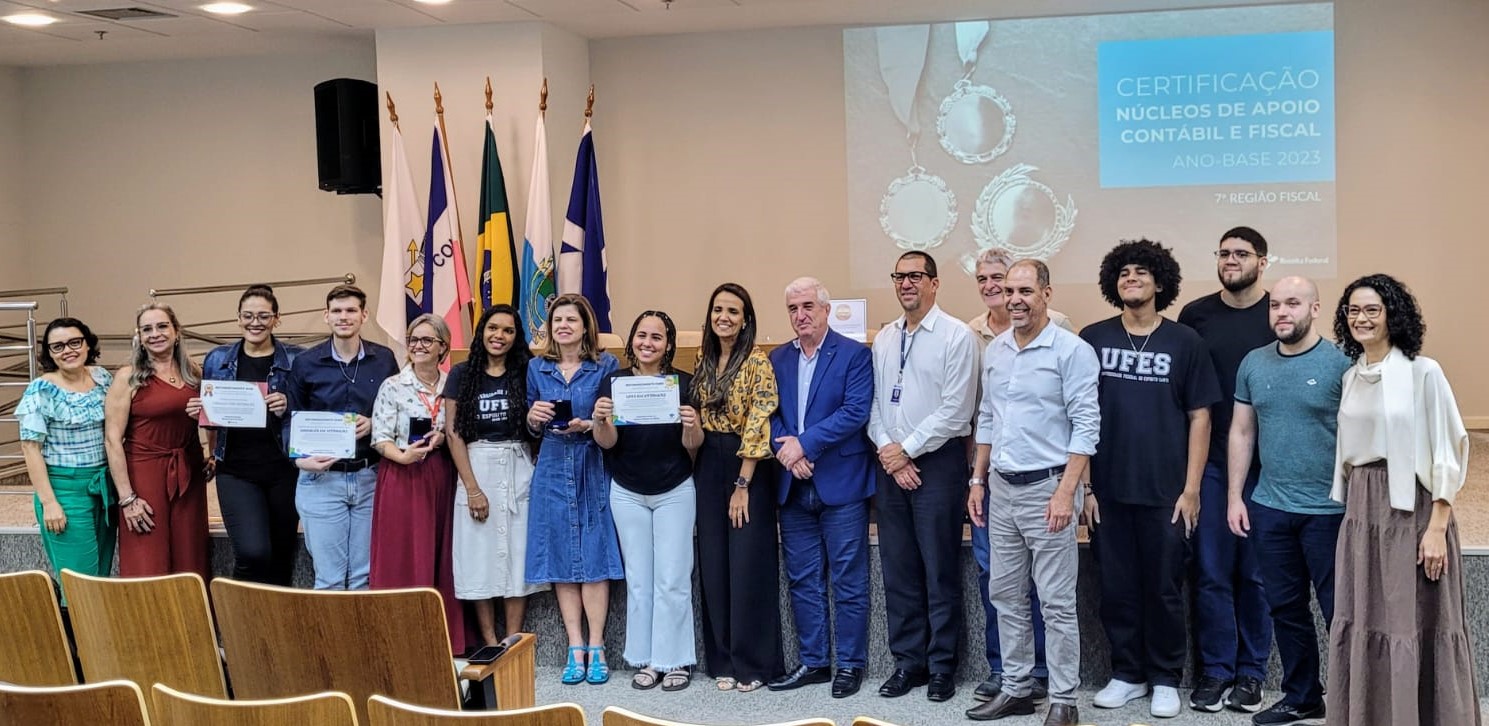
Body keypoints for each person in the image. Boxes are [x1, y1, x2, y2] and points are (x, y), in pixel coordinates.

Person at [1325, 274, 1479, 726]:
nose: (1361, 318)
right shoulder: (1353, 375)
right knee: (1368, 619)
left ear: (1393, 314)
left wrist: (1437, 527)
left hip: (1413, 511)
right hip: (1363, 512)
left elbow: (1450, 448)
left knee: (1416, 624)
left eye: (1372, 309)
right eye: (1353, 310)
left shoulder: (1422, 371)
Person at [1080, 239, 1220, 719]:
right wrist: (1088, 487)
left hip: (1167, 494)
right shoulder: (1092, 339)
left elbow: (1200, 417)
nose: (1131, 279)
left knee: (1163, 589)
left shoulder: (1185, 342)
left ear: (1161, 282)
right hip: (1110, 492)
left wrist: (1192, 489)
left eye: (1142, 272)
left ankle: (1165, 678)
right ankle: (1127, 674)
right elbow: (1080, 416)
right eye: (1123, 273)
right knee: (1116, 588)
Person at [964, 260, 1098, 726]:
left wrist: (1066, 494)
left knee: (1056, 602)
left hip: (1049, 489)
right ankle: (1017, 688)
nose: (1015, 298)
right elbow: (987, 420)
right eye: (1008, 289)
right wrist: (978, 481)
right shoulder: (997, 350)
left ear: (1046, 293)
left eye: (1025, 289)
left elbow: (1086, 428)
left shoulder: (1072, 351)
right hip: (1001, 489)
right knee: (1005, 594)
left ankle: (1064, 699)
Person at [1226, 276, 1350, 725]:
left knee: (1341, 612)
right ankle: (1303, 696)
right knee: (1285, 608)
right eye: (1275, 304)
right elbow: (1242, 431)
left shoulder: (1342, 364)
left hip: (1331, 512)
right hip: (1271, 507)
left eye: (1293, 303)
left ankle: (1353, 698)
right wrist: (1235, 497)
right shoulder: (1253, 364)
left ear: (1315, 309)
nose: (1282, 312)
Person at [868, 251, 977, 703]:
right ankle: (908, 662)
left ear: (934, 283)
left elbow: (956, 410)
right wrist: (889, 451)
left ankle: (941, 666)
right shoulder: (885, 339)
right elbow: (875, 404)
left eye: (916, 276)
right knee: (899, 571)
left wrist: (907, 451)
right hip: (890, 464)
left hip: (937, 466)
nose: (907, 283)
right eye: (900, 276)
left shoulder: (958, 336)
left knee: (939, 570)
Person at [1176, 226, 1274, 713]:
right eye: (1224, 253)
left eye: (1241, 253)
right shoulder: (1196, 316)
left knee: (1255, 574)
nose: (1231, 260)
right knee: (1211, 570)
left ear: (1262, 261)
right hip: (1212, 463)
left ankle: (1252, 674)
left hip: (1268, 470)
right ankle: (1216, 671)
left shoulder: (1278, 312)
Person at [765, 277, 874, 699]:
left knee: (848, 579)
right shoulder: (777, 359)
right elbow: (768, 412)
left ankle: (849, 664)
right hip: (793, 486)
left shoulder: (853, 355)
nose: (801, 315)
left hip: (841, 485)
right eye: (793, 308)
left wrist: (805, 445)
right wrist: (787, 451)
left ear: (827, 309)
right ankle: (814, 661)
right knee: (803, 579)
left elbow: (855, 412)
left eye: (808, 306)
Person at [593, 310, 704, 693]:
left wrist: (693, 426)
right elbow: (606, 443)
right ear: (632, 340)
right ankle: (644, 659)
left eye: (657, 337)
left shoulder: (682, 385)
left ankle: (675, 660)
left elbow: (693, 449)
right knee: (640, 581)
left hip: (674, 489)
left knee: (672, 579)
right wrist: (600, 420)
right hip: (627, 491)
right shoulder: (614, 383)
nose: (648, 343)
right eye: (642, 335)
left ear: (668, 345)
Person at [525, 293, 624, 685]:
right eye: (557, 320)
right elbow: (530, 426)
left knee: (595, 554)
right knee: (562, 557)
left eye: (572, 320)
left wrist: (589, 423)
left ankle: (597, 646)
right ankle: (574, 646)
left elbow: (615, 417)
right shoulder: (536, 367)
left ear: (585, 327)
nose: (563, 326)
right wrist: (534, 418)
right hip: (551, 464)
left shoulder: (606, 365)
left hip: (591, 460)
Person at [689, 282, 782, 694]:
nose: (724, 317)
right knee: (713, 563)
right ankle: (722, 659)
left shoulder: (758, 363)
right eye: (718, 310)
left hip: (748, 468)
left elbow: (759, 422)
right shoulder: (702, 359)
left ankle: (754, 663)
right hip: (708, 463)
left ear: (746, 320)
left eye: (733, 311)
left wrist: (742, 483)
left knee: (747, 565)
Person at [283, 284, 399, 590]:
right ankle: (329, 641)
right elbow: (289, 420)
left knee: (365, 578)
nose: (343, 317)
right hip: (322, 481)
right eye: (337, 311)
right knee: (329, 579)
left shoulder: (384, 359)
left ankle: (360, 640)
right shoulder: (306, 363)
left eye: (350, 310)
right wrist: (299, 460)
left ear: (364, 315)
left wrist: (375, 423)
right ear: (326, 316)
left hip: (369, 477)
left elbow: (399, 410)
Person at [445, 304, 547, 647]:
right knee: (478, 557)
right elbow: (453, 433)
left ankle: (512, 639)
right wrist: (473, 488)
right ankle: (489, 642)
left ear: (516, 337)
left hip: (519, 462)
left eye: (507, 330)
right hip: (477, 464)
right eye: (492, 329)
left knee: (517, 555)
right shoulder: (462, 374)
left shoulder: (526, 371)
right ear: (481, 332)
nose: (498, 336)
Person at [188, 285, 302, 585]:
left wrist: (288, 406)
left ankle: (278, 625)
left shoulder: (296, 359)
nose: (256, 322)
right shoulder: (217, 359)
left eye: (264, 316)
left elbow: (310, 408)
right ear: (238, 319)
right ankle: (240, 623)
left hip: (284, 470)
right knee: (252, 552)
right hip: (236, 470)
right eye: (248, 315)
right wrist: (200, 412)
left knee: (281, 556)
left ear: (277, 318)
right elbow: (212, 417)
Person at [368, 314, 465, 652]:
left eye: (427, 340)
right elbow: (380, 437)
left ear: (443, 347)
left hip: (441, 475)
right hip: (403, 476)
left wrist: (441, 439)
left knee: (441, 555)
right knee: (404, 555)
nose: (418, 346)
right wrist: (403, 456)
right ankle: (398, 637)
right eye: (413, 340)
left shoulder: (453, 384)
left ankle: (442, 638)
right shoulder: (392, 386)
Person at [104, 303, 210, 579]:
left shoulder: (194, 372)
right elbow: (113, 440)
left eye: (162, 326)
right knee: (148, 555)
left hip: (189, 473)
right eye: (147, 329)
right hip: (145, 475)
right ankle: (147, 622)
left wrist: (213, 451)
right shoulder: (127, 376)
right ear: (139, 336)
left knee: (190, 554)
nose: (155, 334)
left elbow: (214, 418)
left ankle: (191, 621)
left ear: (176, 332)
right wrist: (127, 499)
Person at [17, 318, 115, 584]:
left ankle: (93, 627)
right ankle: (70, 626)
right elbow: (30, 447)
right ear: (48, 353)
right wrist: (50, 503)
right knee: (79, 581)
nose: (67, 350)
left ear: (87, 344)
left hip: (102, 488)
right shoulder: (42, 389)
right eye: (57, 346)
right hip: (64, 492)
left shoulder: (102, 377)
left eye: (74, 342)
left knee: (101, 576)